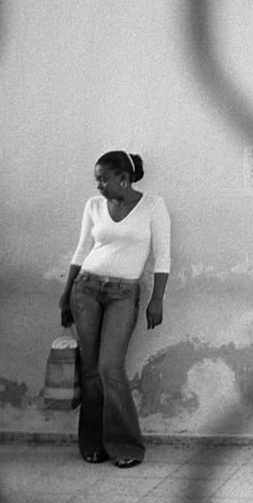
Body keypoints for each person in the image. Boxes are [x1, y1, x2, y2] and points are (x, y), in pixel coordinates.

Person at [59, 151, 170, 469]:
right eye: (97, 180)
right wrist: (66, 294)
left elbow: (163, 257)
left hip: (124, 294)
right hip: (87, 289)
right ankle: (93, 443)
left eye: (102, 179)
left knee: (110, 368)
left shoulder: (153, 205)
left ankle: (127, 446)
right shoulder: (93, 206)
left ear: (123, 178)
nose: (98, 186)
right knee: (91, 370)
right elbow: (82, 250)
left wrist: (157, 298)